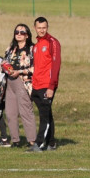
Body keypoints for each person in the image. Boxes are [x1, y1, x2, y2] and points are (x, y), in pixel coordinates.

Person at [29, 16, 61, 152]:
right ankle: (51, 143)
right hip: (36, 85)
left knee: (44, 116)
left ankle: (39, 143)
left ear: (47, 27)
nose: (42, 30)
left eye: (44, 28)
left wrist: (51, 86)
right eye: (39, 28)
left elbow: (55, 65)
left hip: (47, 85)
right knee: (47, 114)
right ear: (35, 28)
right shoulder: (36, 45)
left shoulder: (52, 42)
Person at [3, 23, 37, 148]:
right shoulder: (11, 48)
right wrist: (5, 68)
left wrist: (20, 71)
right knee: (10, 113)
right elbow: (4, 62)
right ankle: (15, 140)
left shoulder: (33, 49)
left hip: (24, 81)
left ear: (27, 35)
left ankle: (32, 140)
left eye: (22, 32)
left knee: (25, 112)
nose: (19, 34)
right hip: (9, 82)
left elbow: (36, 68)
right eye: (16, 32)